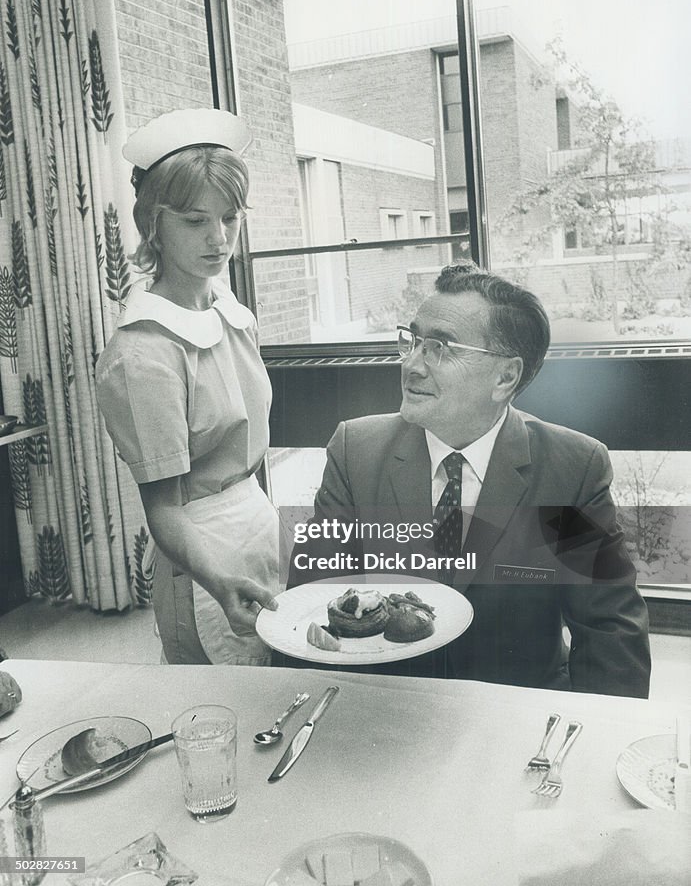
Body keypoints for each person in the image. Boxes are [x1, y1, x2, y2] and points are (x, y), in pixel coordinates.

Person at [289, 263, 651, 697]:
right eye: (415, 341)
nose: (413, 365)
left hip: (513, 717)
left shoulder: (570, 469)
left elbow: (609, 631)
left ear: (505, 377)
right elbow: (306, 601)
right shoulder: (355, 451)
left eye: (441, 347)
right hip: (383, 712)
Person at [96, 108, 278, 665]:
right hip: (201, 559)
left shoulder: (231, 313)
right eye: (195, 221)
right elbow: (166, 512)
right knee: (226, 715)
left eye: (230, 217)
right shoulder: (143, 354)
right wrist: (220, 582)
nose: (218, 238)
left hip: (257, 530)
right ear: (154, 223)